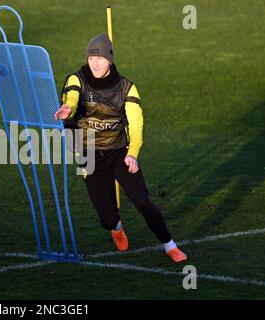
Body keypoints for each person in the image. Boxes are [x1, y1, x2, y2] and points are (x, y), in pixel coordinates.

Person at [54, 33, 187, 263]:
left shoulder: (127, 88)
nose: (94, 63)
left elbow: (136, 125)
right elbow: (72, 96)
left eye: (100, 58)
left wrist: (133, 154)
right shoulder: (76, 79)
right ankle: (116, 227)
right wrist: (68, 107)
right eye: (90, 57)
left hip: (119, 152)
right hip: (89, 155)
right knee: (106, 218)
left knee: (142, 200)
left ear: (110, 60)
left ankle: (169, 244)